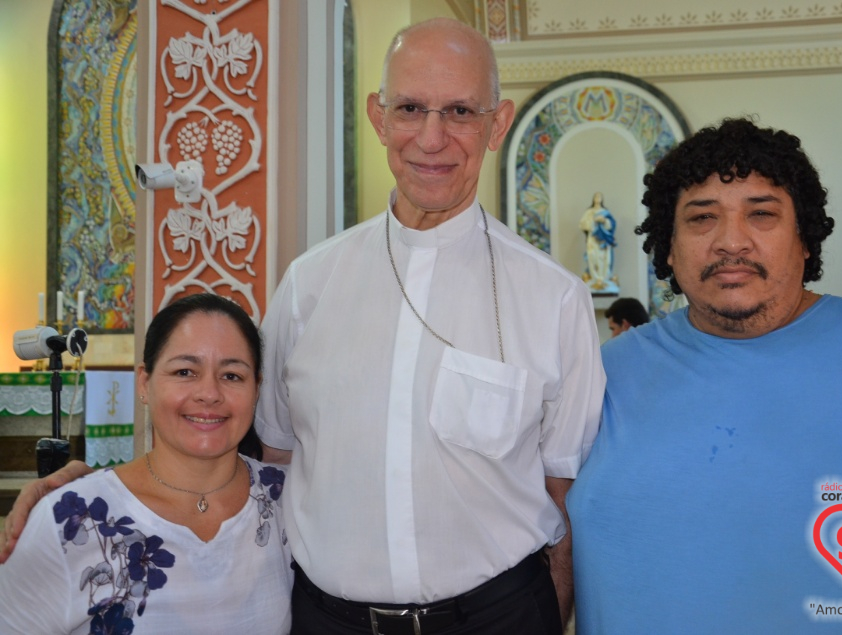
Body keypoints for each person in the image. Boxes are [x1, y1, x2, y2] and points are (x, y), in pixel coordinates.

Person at [3, 19, 603, 634]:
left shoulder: (553, 298)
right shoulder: (310, 284)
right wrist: (92, 495)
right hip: (328, 620)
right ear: (377, 116)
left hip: (497, 617)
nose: (431, 137)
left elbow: (564, 499)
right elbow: (267, 465)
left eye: (459, 112)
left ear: (497, 124)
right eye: (410, 108)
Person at [567, 118, 842, 634]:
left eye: (762, 214)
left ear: (805, 240)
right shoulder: (604, 375)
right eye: (701, 218)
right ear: (668, 246)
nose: (732, 242)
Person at [0, 293, 293, 633]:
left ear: (256, 389)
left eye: (232, 376)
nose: (209, 393)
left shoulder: (287, 500)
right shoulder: (70, 523)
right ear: (144, 382)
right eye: (185, 371)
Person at [579, 192, 618, 293]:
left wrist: (604, 221)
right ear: (593, 199)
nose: (598, 198)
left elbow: (612, 225)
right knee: (593, 257)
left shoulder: (605, 212)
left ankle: (603, 278)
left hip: (603, 241)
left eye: (599, 196)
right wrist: (593, 221)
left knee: (603, 259)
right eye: (596, 196)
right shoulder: (589, 212)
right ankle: (595, 279)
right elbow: (583, 224)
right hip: (593, 240)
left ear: (602, 199)